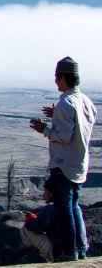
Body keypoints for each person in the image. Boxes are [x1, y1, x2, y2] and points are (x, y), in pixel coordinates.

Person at [30, 56, 96, 261]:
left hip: (64, 165)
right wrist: (57, 113)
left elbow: (64, 136)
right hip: (79, 164)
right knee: (73, 206)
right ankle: (80, 249)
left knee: (64, 209)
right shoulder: (85, 101)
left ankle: (70, 252)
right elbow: (78, 125)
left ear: (63, 77)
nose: (55, 81)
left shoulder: (66, 103)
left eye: (57, 77)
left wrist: (45, 130)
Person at [20, 177, 58, 262]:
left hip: (59, 248)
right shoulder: (73, 207)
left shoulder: (51, 209)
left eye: (45, 191)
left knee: (25, 229)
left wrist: (30, 219)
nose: (43, 194)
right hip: (78, 247)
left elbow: (34, 227)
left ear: (51, 193)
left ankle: (37, 251)